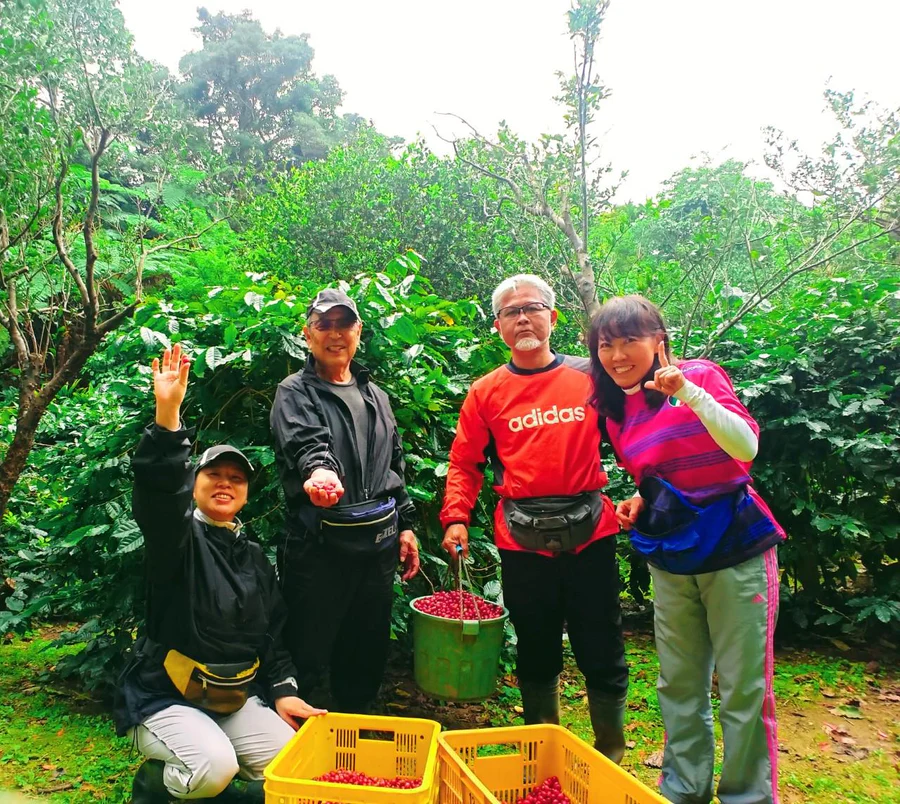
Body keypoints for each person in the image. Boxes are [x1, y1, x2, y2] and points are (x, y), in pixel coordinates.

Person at [587, 295, 784, 804]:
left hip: (736, 545)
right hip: (672, 553)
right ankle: (682, 791)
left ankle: (747, 796)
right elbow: (660, 473)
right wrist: (637, 497)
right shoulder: (615, 410)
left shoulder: (701, 375)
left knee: (743, 688)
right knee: (678, 683)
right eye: (606, 345)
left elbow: (746, 448)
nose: (618, 354)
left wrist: (689, 392)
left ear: (659, 341)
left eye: (631, 339)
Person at [115, 344, 326, 804]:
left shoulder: (251, 554)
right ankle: (155, 786)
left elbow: (272, 634)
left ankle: (215, 757)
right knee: (214, 767)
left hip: (230, 698)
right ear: (195, 484)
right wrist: (168, 416)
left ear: (247, 492)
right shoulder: (177, 540)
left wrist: (285, 691)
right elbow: (159, 497)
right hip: (162, 696)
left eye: (237, 477)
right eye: (214, 474)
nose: (225, 482)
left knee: (295, 767)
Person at [439, 274, 629, 762]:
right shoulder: (487, 392)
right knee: (536, 646)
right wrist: (455, 516)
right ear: (498, 326)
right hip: (521, 537)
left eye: (532, 307)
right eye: (510, 311)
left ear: (553, 317)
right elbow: (465, 461)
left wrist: (648, 490)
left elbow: (635, 436)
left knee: (600, 643)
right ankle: (542, 751)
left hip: (592, 530)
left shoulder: (592, 377)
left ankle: (610, 751)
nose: (522, 317)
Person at [270, 288, 420, 715]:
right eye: (324, 324)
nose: (334, 334)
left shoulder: (376, 395)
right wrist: (320, 473)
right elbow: (307, 444)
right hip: (318, 549)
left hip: (377, 549)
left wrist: (406, 524)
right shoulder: (295, 391)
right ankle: (297, 753)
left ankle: (356, 741)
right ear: (308, 334)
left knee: (366, 651)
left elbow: (394, 465)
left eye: (344, 324)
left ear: (359, 332)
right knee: (308, 651)